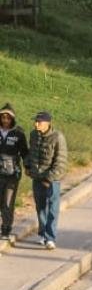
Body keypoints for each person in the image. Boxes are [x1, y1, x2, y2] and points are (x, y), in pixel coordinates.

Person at [26, 111, 66, 250]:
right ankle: (43, 234)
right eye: (35, 121)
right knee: (40, 207)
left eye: (39, 122)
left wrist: (49, 179)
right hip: (37, 178)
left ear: (48, 123)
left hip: (52, 180)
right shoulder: (33, 135)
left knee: (53, 209)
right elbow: (30, 153)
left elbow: (60, 161)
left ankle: (50, 238)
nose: (36, 124)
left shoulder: (57, 137)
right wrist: (27, 166)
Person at [0, 103, 28, 243]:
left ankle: (6, 228)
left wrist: (28, 167)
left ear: (12, 119)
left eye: (8, 118)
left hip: (12, 175)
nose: (5, 120)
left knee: (7, 202)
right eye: (3, 117)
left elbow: (25, 153)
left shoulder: (18, 134)